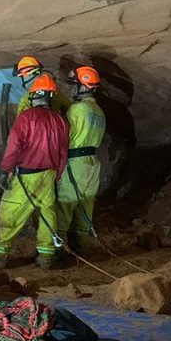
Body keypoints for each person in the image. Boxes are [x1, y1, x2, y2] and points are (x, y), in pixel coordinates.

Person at [0, 74, 69, 269]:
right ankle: (46, 257)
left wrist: (5, 169)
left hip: (26, 175)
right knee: (46, 214)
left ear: (34, 96)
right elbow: (63, 152)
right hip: (48, 175)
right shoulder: (60, 121)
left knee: (10, 212)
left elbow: (14, 145)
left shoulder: (26, 117)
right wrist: (57, 174)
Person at [56, 66, 105, 248]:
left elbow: (64, 137)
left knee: (65, 203)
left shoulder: (77, 109)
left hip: (75, 162)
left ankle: (58, 249)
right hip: (92, 163)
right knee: (86, 203)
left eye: (74, 85)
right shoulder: (99, 111)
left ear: (83, 86)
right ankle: (81, 246)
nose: (72, 89)